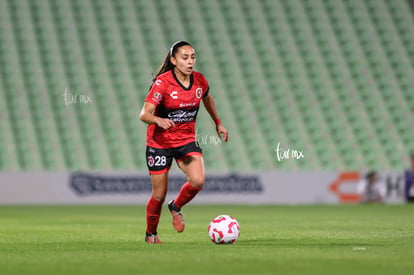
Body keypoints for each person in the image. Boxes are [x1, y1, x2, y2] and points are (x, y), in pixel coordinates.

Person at [139, 41, 229, 244]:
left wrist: (218, 123)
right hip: (159, 143)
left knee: (198, 181)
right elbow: (144, 114)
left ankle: (176, 206)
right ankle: (151, 234)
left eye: (193, 57)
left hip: (186, 140)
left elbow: (207, 98)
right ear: (173, 60)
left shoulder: (199, 81)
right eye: (185, 58)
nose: (190, 62)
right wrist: (158, 120)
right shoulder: (162, 83)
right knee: (158, 194)